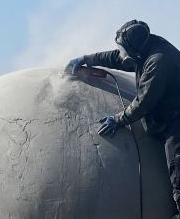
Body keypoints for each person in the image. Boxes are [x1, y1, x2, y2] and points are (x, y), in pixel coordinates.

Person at [66, 20, 180, 218]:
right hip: (168, 113)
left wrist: (119, 119)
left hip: (176, 120)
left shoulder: (158, 62)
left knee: (177, 167)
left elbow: (144, 102)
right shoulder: (146, 46)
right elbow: (117, 58)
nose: (121, 52)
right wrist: (87, 58)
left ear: (135, 49)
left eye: (123, 48)